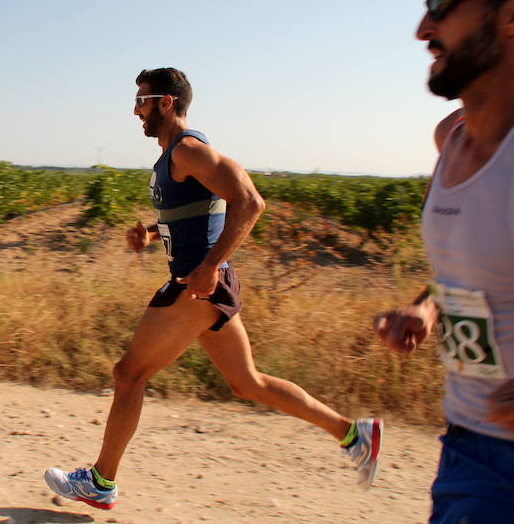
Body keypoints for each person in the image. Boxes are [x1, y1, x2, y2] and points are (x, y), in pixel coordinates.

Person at [44, 67, 382, 510]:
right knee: (248, 383)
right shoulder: (172, 157)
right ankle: (354, 434)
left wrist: (209, 266)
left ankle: (101, 482)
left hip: (196, 287)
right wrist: (150, 233)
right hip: (205, 287)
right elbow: (201, 211)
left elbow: (250, 202)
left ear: (166, 102)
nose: (136, 110)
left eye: (142, 100)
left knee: (129, 374)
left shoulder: (188, 149)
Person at [372, 0, 514, 523]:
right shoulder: (451, 139)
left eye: (445, 4)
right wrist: (429, 307)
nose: (422, 29)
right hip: (467, 444)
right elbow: (478, 266)